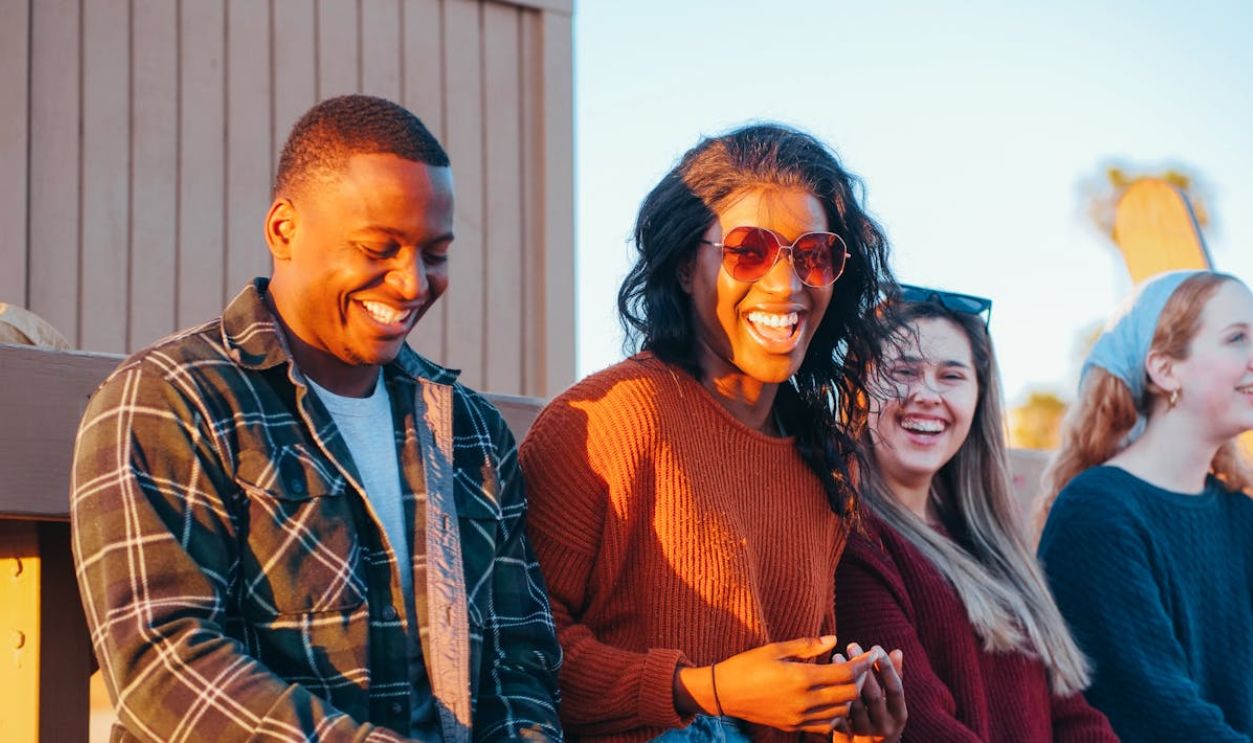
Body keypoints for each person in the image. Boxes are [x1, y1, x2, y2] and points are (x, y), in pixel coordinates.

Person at [70, 94, 562, 742]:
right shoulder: (170, 400)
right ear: (283, 230)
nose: (412, 283)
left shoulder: (469, 432)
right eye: (378, 247)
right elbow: (165, 662)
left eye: (434, 253)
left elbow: (518, 665)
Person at [519, 124, 907, 742]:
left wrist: (854, 731)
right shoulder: (606, 420)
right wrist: (706, 689)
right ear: (682, 266)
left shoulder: (829, 461)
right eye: (749, 250)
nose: (787, 285)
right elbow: (518, 654)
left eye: (814, 255)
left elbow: (789, 709)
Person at [834, 286, 1116, 742]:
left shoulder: (992, 545)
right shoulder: (854, 544)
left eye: (951, 376)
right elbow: (923, 727)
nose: (926, 394)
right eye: (903, 370)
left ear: (979, 397)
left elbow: (1072, 716)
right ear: (860, 389)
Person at [1038, 270, 1253, 741]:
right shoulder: (1097, 514)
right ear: (1164, 368)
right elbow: (1158, 714)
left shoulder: (1242, 516)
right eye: (1237, 338)